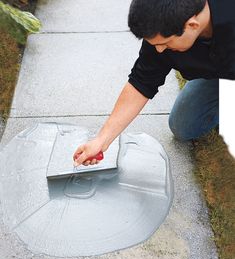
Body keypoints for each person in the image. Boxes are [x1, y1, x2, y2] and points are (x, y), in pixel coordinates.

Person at [73, 0, 235, 167]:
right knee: (184, 126)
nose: (159, 50)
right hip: (217, 74)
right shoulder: (163, 27)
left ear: (192, 25)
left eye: (165, 43)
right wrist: (101, 140)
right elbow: (141, 82)